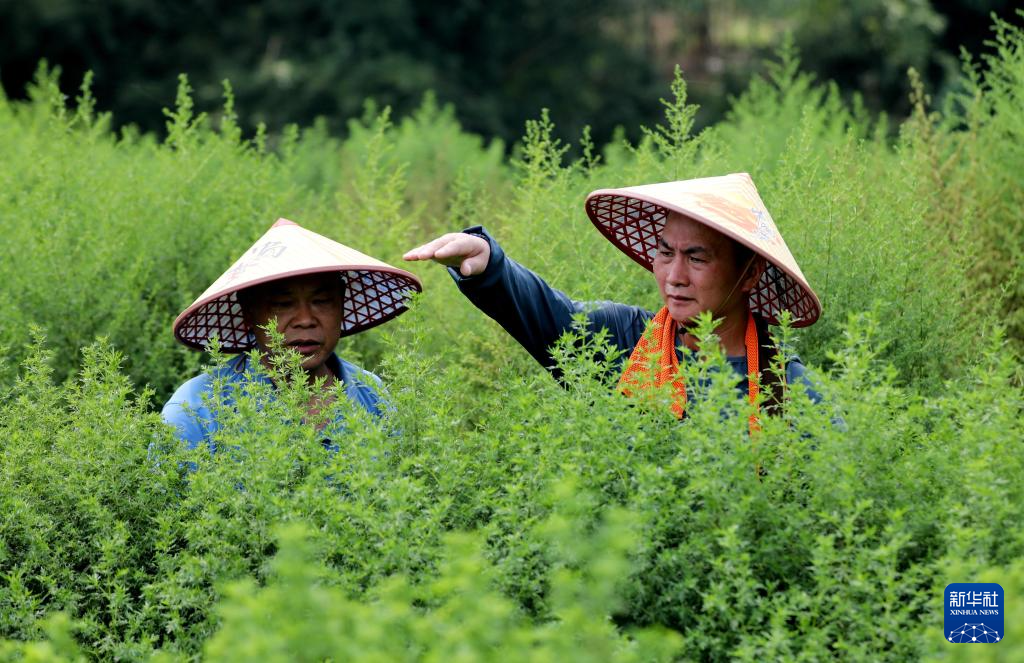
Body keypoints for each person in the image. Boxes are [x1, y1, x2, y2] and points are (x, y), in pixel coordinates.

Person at [404, 173, 822, 426]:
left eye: (697, 257)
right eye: (664, 252)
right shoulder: (625, 340)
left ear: (748, 273)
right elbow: (551, 316)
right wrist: (491, 262)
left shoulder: (786, 388)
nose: (674, 277)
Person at [163, 218, 421, 448]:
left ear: (342, 304)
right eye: (283, 305)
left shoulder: (371, 394)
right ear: (249, 313)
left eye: (321, 301)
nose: (306, 320)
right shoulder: (197, 411)